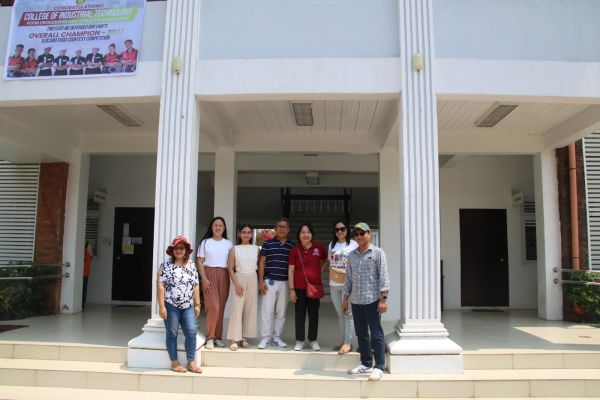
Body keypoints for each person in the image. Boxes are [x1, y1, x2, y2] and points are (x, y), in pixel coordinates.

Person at [343, 222, 390, 381]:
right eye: (356, 234)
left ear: (369, 234)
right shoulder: (352, 255)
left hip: (372, 301)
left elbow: (384, 278)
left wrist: (383, 300)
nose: (358, 236)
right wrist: (345, 300)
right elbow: (348, 280)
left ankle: (379, 367)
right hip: (356, 301)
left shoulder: (378, 253)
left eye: (361, 233)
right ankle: (366, 363)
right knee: (361, 334)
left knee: (376, 334)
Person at [158, 236, 202, 373]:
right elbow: (160, 285)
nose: (178, 250)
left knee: (191, 331)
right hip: (171, 305)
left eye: (181, 248)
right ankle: (174, 362)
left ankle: (191, 362)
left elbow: (196, 284)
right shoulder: (165, 265)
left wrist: (197, 303)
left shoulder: (192, 265)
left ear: (186, 250)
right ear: (172, 250)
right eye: (176, 248)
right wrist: (161, 306)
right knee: (172, 333)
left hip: (187, 306)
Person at [288, 223, 327, 351]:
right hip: (298, 288)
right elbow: (291, 271)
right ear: (299, 235)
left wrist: (320, 270)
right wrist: (291, 289)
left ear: (312, 234)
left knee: (313, 314)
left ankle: (313, 340)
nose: (305, 234)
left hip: (314, 287)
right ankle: (299, 340)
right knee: (299, 315)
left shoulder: (318, 248)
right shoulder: (295, 250)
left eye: (308, 232)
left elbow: (327, 260)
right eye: (303, 232)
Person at [196, 217, 233, 350]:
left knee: (221, 308)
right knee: (214, 307)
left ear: (224, 228)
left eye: (220, 225)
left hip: (224, 275)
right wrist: (204, 279)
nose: (218, 228)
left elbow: (232, 263)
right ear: (211, 227)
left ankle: (218, 337)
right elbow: (199, 261)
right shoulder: (205, 242)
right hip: (209, 274)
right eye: (215, 225)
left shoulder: (229, 244)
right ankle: (210, 337)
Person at [258, 217, 294, 349]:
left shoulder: (292, 246)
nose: (282, 229)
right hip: (270, 282)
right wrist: (261, 281)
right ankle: (265, 338)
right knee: (267, 311)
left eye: (284, 226)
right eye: (279, 226)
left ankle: (277, 336)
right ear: (275, 228)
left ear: (288, 229)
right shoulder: (267, 244)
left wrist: (292, 287)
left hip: (285, 283)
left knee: (281, 313)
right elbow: (261, 262)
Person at [226, 224, 259, 351]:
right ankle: (235, 339)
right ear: (240, 234)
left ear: (251, 234)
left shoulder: (256, 248)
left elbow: (259, 265)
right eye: (243, 232)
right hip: (239, 277)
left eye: (248, 232)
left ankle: (245, 337)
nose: (246, 234)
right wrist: (236, 284)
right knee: (237, 308)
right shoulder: (235, 248)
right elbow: (230, 267)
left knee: (250, 308)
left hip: (252, 277)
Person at [328, 220, 358, 354]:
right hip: (334, 284)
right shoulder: (331, 245)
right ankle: (343, 341)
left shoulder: (353, 244)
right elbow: (331, 262)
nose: (339, 231)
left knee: (348, 314)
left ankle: (348, 342)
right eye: (337, 230)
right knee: (340, 314)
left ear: (347, 230)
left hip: (348, 285)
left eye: (342, 229)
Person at [82, 241, 93, 309]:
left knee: (84, 289)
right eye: (89, 246)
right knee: (83, 289)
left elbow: (90, 260)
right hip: (83, 274)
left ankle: (82, 303)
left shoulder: (88, 253)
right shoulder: (84, 252)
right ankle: (81, 303)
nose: (90, 247)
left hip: (86, 273)